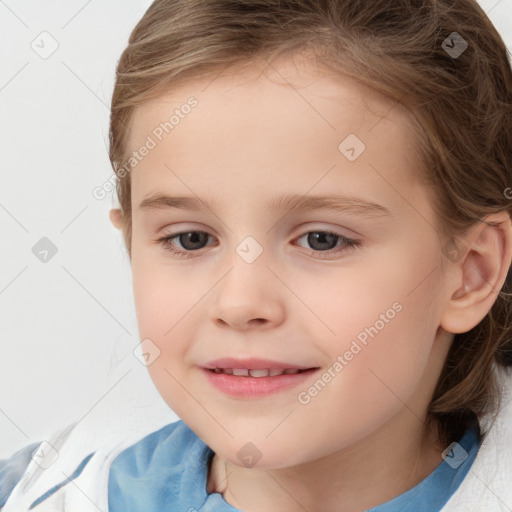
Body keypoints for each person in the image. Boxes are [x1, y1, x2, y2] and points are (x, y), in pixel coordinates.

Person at [2, 0, 512, 510]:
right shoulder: (39, 494)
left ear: (471, 272)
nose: (240, 303)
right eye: (191, 239)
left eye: (322, 240)